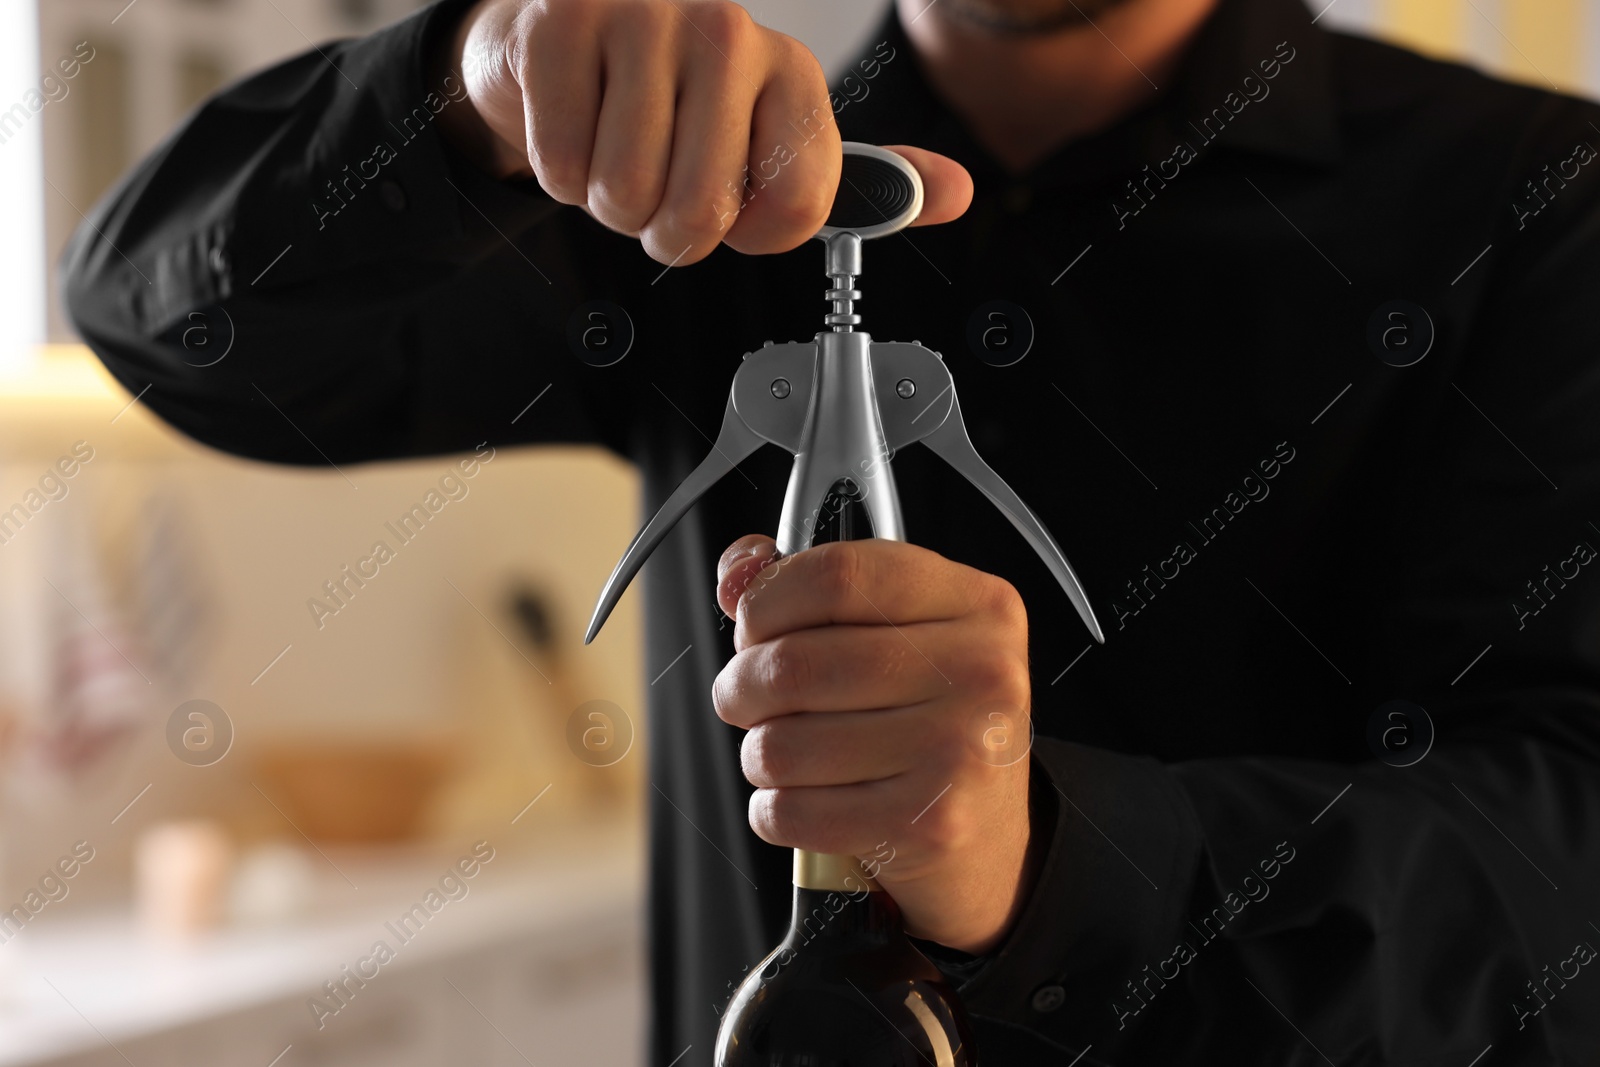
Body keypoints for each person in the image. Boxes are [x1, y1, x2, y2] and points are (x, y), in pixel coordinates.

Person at [63, 0, 1600, 1061]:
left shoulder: (1542, 201)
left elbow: (1565, 844)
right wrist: (461, 93)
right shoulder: (662, 186)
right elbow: (174, 327)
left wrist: (1051, 853)